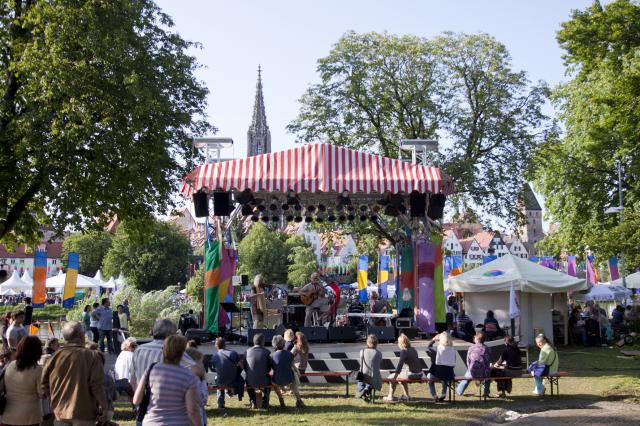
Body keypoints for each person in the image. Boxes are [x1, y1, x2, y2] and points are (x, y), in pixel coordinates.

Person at [41, 321, 108, 425]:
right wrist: (104, 407)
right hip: (84, 414)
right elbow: (97, 385)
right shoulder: (92, 356)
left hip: (60, 413)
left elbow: (44, 385)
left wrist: (55, 400)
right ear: (81, 336)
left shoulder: (54, 356)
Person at [133, 335, 202, 426]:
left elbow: (136, 400)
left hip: (151, 422)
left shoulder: (151, 369)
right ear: (182, 352)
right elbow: (192, 411)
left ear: (164, 350)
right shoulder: (188, 376)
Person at [131, 319, 199, 388]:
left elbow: (133, 379)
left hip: (141, 393)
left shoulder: (138, 350)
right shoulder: (173, 350)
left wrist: (138, 394)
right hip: (168, 393)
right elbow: (196, 370)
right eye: (175, 334)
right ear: (168, 334)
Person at [0, 336, 44, 426]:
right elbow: (41, 394)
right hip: (29, 416)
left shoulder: (10, 365)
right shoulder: (38, 370)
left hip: (9, 413)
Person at [384, 334, 422, 402]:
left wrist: (395, 377)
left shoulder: (404, 351)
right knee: (401, 378)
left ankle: (390, 396)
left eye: (398, 342)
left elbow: (400, 365)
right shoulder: (413, 349)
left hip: (412, 374)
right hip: (420, 373)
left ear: (401, 343)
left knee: (391, 377)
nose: (398, 344)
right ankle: (406, 396)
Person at [271, 335, 305, 408]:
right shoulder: (290, 354)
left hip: (277, 380)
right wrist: (298, 372)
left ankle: (281, 400)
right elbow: (293, 365)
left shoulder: (272, 356)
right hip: (289, 379)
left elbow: (272, 368)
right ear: (284, 344)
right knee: (294, 379)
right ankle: (299, 400)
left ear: (274, 345)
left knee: (274, 382)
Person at [210, 337, 243, 410]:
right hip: (234, 381)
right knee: (230, 375)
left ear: (216, 346)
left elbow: (215, 369)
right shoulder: (233, 353)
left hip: (222, 381)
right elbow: (241, 366)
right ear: (225, 344)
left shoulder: (214, 356)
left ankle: (220, 404)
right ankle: (230, 392)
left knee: (218, 378)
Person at [456, 331, 491, 397]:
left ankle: (459, 391)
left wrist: (470, 369)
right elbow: (488, 361)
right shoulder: (487, 348)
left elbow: (468, 361)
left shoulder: (471, 348)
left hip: (473, 371)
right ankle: (486, 393)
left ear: (477, 338)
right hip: (484, 373)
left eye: (475, 337)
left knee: (466, 377)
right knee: (487, 378)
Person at [244, 333, 272, 409]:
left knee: (247, 380)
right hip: (264, 381)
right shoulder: (267, 352)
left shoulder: (247, 352)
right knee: (270, 380)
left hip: (251, 381)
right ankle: (265, 401)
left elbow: (245, 367)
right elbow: (269, 368)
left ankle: (253, 400)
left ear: (253, 341)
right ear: (263, 342)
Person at [427, 332, 456, 402]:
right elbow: (453, 363)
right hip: (450, 374)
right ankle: (443, 393)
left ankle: (434, 396)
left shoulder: (439, 348)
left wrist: (433, 340)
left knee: (429, 378)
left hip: (439, 374)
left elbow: (429, 347)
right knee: (445, 378)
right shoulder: (453, 349)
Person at [185, 347, 208, 425]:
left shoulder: (181, 374)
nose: (203, 365)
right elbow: (203, 400)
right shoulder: (195, 379)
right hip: (195, 419)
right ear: (195, 362)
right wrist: (203, 380)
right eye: (201, 362)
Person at [356, 334, 382, 402]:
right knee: (372, 380)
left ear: (367, 342)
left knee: (360, 379)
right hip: (374, 376)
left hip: (363, 375)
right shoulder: (379, 353)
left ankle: (362, 391)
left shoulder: (362, 351)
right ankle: (367, 389)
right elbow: (378, 364)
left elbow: (361, 364)